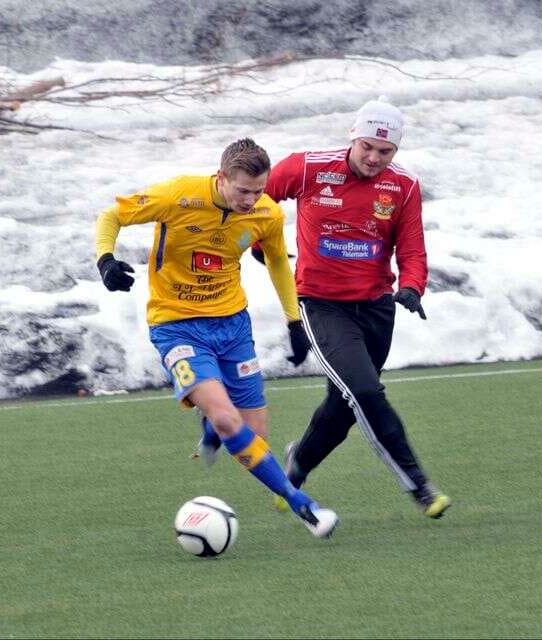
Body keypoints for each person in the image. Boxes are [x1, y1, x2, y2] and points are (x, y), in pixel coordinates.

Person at [94, 138, 336, 537]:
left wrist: (294, 321)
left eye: (259, 190)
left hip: (233, 327)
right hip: (176, 325)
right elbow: (111, 216)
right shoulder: (179, 195)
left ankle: (210, 427)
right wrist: (105, 260)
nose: (251, 200)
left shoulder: (267, 213)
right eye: (243, 191)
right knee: (227, 419)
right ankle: (303, 505)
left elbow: (277, 260)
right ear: (221, 177)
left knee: (254, 437)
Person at [265, 98, 451, 518]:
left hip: (376, 308)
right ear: (353, 136)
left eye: (385, 151)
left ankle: (295, 467)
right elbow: (258, 196)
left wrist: (412, 287)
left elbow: (412, 248)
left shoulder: (404, 186)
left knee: (343, 406)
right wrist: (263, 241)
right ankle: (419, 485)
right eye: (367, 146)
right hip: (321, 304)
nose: (374, 158)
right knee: (366, 392)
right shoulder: (308, 168)